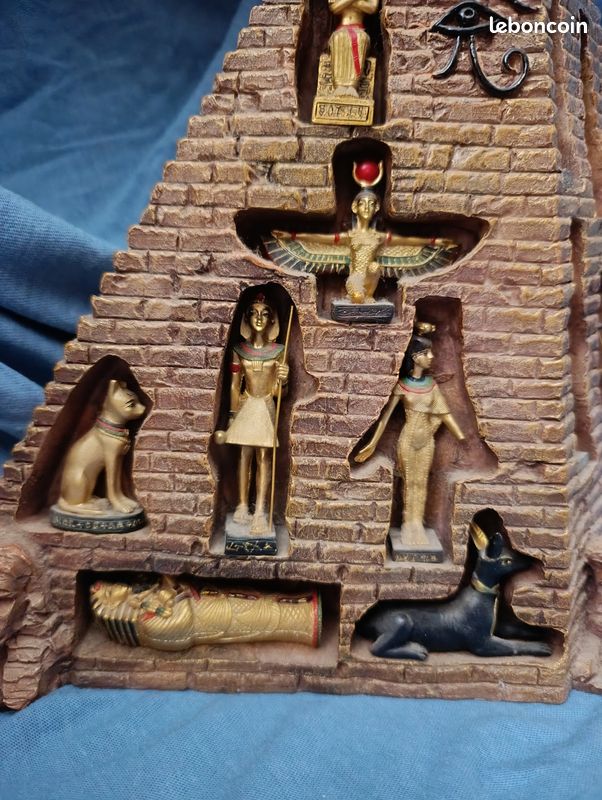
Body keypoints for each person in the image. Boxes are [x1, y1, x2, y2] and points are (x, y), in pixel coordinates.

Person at [355, 324, 465, 546]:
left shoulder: (432, 385)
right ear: (415, 357)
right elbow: (385, 417)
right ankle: (408, 525)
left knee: (421, 483)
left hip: (426, 440)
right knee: (409, 483)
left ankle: (418, 526)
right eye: (427, 353)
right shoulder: (403, 386)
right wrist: (372, 444)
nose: (431, 357)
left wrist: (463, 438)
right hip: (408, 439)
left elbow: (444, 414)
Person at [222, 295, 289, 536]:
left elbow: (279, 393)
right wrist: (232, 414)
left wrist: (283, 379)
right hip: (246, 402)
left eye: (265, 313)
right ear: (246, 318)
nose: (259, 318)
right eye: (254, 312)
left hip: (266, 404)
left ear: (272, 320)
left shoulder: (279, 351)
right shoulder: (239, 350)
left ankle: (260, 509)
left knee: (264, 457)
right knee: (244, 455)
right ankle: (242, 505)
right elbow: (234, 385)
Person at [327, 0, 380, 96]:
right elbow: (334, 8)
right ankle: (339, 85)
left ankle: (353, 85)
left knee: (361, 38)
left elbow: (372, 8)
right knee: (338, 37)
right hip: (342, 28)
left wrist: (346, 3)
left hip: (359, 29)